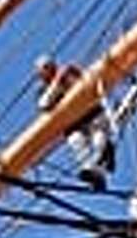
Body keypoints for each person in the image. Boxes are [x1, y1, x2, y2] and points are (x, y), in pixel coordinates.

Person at [34, 54, 115, 191]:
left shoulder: (70, 75)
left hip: (92, 115)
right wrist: (57, 82)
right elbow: (44, 104)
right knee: (77, 143)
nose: (50, 70)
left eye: (50, 66)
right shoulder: (43, 90)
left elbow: (87, 83)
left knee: (99, 139)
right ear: (40, 74)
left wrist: (76, 73)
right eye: (45, 68)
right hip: (72, 124)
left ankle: (103, 157)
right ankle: (93, 172)